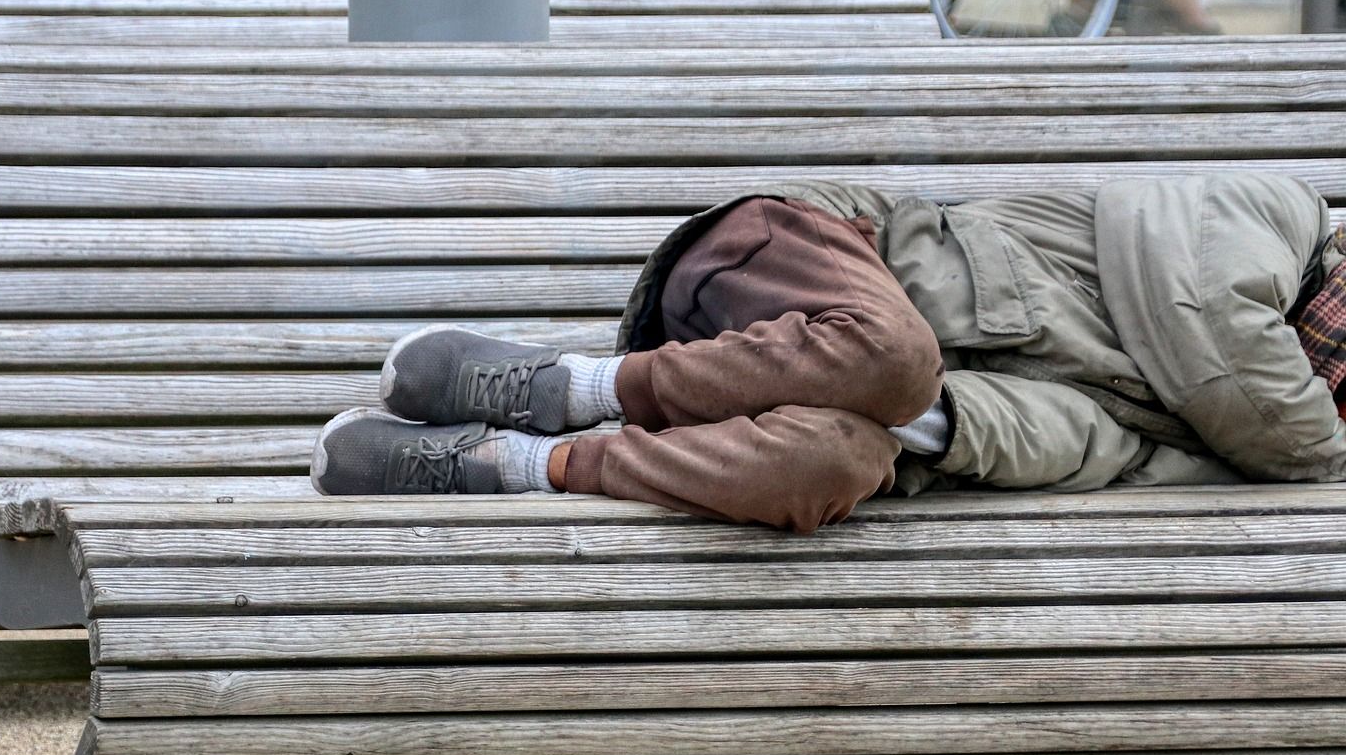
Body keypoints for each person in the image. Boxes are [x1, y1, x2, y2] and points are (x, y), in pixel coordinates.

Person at [312, 175, 1346, 533]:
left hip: (831, 393)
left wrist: (929, 431)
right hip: (796, 259)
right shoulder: (1273, 219)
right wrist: (1313, 454)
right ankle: (573, 386)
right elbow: (1221, 341)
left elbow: (1052, 440)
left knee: (834, 464)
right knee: (895, 357)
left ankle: (515, 462)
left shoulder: (1210, 437)